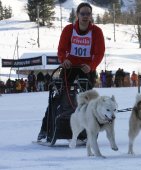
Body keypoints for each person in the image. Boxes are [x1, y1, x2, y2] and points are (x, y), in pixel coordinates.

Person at [37, 2, 105, 141]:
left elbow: (99, 53)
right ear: (77, 15)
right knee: (58, 97)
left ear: (91, 16)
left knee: (88, 101)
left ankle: (88, 132)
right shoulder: (69, 29)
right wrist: (64, 59)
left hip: (86, 69)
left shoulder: (96, 32)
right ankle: (45, 129)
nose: (85, 16)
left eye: (88, 14)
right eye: (82, 13)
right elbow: (61, 49)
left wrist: (91, 66)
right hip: (70, 68)